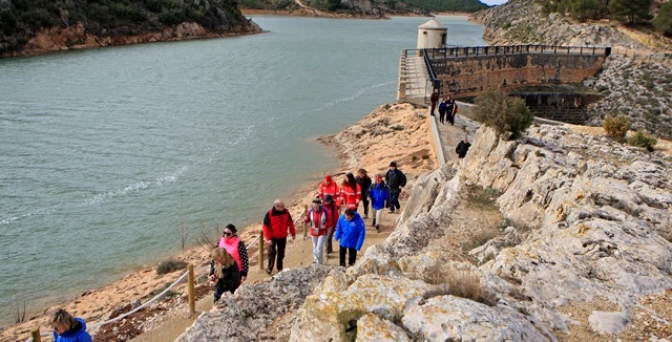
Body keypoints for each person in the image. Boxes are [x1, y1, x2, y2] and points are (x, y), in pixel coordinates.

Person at [262, 199, 296, 275]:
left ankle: (279, 267)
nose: (284, 207)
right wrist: (268, 238)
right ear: (277, 207)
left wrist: (293, 233)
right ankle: (269, 268)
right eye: (282, 206)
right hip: (272, 237)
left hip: (282, 236)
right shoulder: (269, 214)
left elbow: (290, 223)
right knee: (272, 253)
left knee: (281, 252)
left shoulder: (286, 212)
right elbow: (265, 227)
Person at [304, 197, 331, 265]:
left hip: (322, 232)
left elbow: (330, 221)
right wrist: (305, 219)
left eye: (316, 206)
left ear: (319, 205)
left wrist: (325, 225)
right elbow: (307, 219)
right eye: (314, 206)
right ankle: (315, 260)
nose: (315, 208)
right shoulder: (310, 211)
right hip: (313, 231)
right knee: (315, 246)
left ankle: (320, 262)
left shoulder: (325, 211)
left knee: (319, 247)